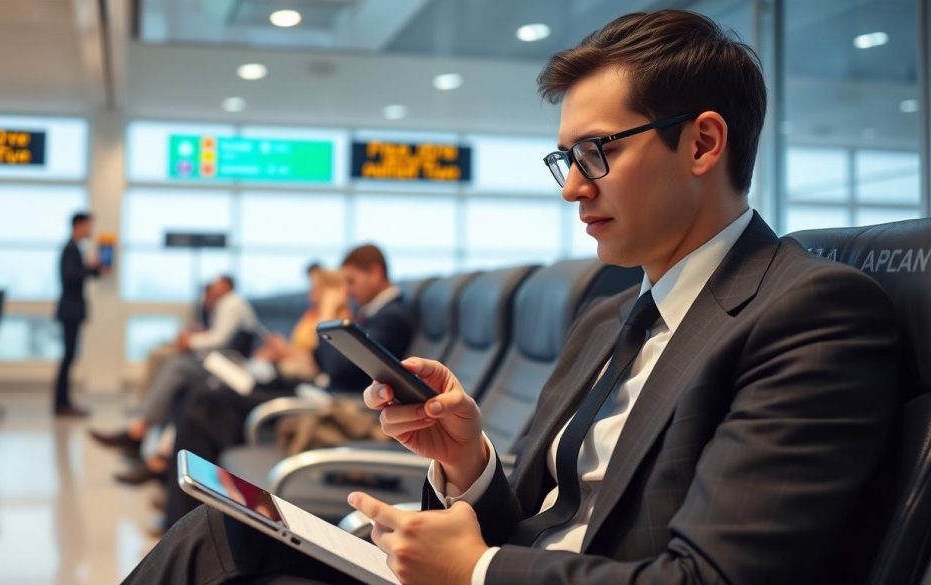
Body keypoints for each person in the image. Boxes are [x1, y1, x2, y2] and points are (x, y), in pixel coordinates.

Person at [122, 11, 901, 585]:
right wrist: (467, 464)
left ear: (701, 143)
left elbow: (712, 579)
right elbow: (549, 521)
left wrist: (479, 569)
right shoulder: (606, 317)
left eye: (598, 151)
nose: (572, 186)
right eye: (565, 156)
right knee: (226, 535)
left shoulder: (809, 316)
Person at [159, 246, 414, 530]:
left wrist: (328, 313)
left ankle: (184, 518)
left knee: (209, 403)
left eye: (352, 281)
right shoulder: (372, 314)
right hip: (312, 394)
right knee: (206, 397)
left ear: (376, 272)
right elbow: (328, 362)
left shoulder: (393, 317)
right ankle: (188, 512)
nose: (349, 291)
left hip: (331, 406)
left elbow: (337, 367)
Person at [89, 274, 261, 469]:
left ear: (228, 286)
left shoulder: (232, 303)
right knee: (172, 370)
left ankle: (141, 432)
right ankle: (146, 435)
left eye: (218, 284)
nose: (213, 287)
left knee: (176, 366)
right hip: (219, 358)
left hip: (228, 363)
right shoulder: (219, 303)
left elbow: (220, 339)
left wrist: (191, 341)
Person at [53, 212, 104, 417]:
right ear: (79, 225)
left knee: (70, 356)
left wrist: (94, 269)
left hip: (73, 309)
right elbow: (69, 277)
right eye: (88, 226)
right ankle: (61, 403)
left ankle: (64, 402)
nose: (90, 230)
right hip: (70, 310)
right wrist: (89, 268)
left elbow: (80, 273)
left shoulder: (75, 249)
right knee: (68, 357)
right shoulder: (70, 249)